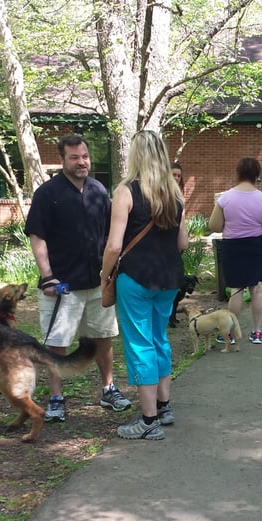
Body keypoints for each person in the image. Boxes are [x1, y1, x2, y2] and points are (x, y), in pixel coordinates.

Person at [25, 134, 131, 422]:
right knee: (57, 343)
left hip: (98, 281)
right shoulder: (47, 194)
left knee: (103, 337)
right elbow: (37, 236)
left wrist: (110, 271)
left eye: (84, 156)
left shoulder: (98, 190)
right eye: (74, 157)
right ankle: (56, 397)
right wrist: (47, 276)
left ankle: (109, 389)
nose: (81, 161)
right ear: (62, 160)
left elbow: (112, 233)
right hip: (62, 285)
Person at [101, 130, 187, 440]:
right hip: (168, 278)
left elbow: (113, 246)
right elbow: (183, 242)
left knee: (140, 344)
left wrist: (104, 276)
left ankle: (148, 421)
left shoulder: (126, 192)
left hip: (135, 278)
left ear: (135, 155)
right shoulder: (175, 193)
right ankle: (163, 407)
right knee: (159, 339)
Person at [208, 157, 262, 344]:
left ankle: (229, 334)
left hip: (233, 246)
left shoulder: (226, 198)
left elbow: (214, 225)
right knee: (256, 288)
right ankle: (257, 332)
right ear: (257, 175)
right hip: (255, 245)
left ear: (238, 173)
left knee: (236, 289)